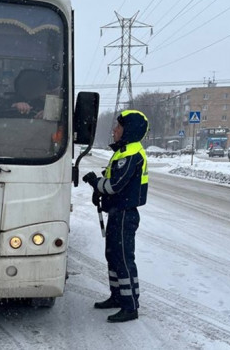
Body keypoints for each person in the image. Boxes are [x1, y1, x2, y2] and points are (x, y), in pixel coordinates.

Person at [82, 109, 149, 323]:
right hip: (116, 212)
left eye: (118, 127)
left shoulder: (131, 154)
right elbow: (112, 180)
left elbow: (114, 185)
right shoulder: (123, 151)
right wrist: (99, 192)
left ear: (128, 130)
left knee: (123, 259)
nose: (114, 130)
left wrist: (95, 183)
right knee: (112, 256)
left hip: (124, 214)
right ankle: (117, 296)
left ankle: (130, 306)